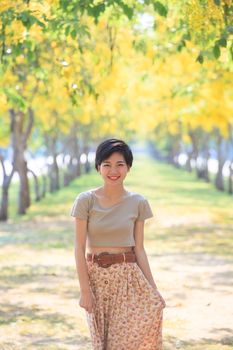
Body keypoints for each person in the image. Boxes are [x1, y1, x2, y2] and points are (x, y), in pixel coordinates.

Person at [70, 138, 166, 350]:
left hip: (129, 279)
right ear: (98, 168)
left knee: (125, 342)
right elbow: (78, 248)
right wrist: (85, 290)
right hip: (97, 279)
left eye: (120, 164)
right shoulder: (85, 200)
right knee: (101, 344)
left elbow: (139, 249)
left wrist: (153, 288)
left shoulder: (138, 202)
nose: (113, 170)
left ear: (128, 168)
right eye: (107, 165)